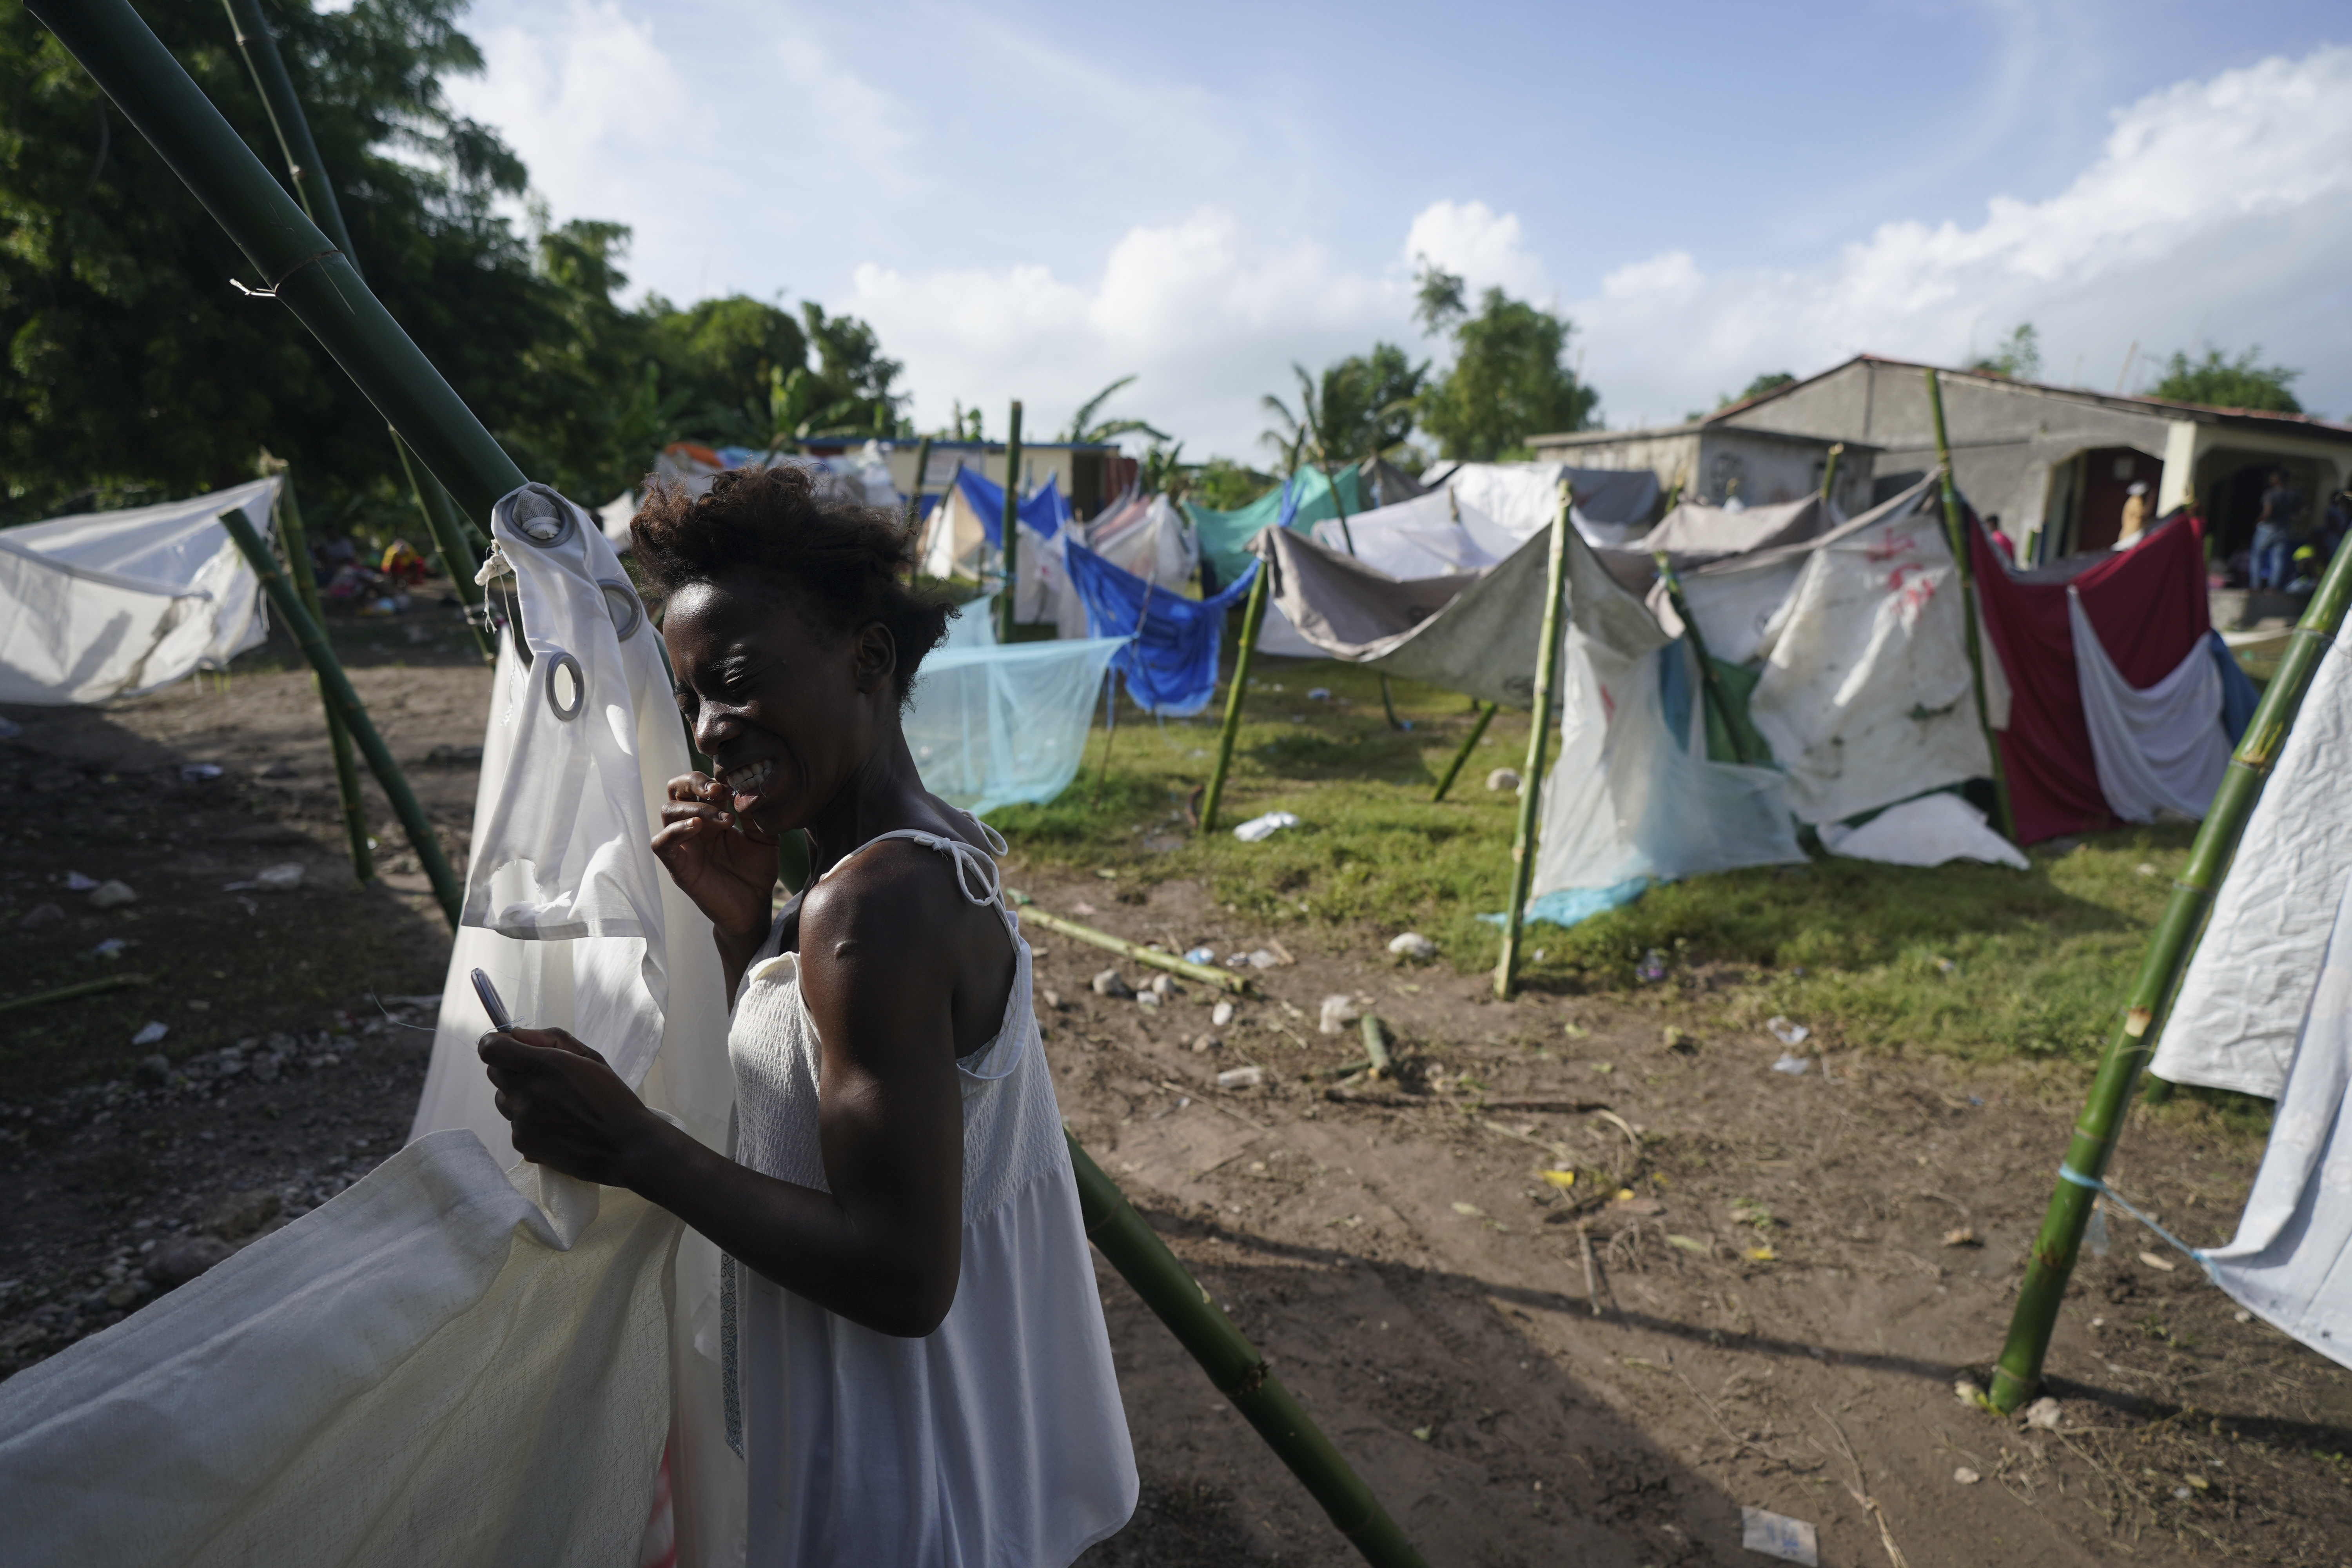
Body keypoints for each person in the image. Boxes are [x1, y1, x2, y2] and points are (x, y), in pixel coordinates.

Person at [474, 465, 1137, 1564]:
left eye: (735, 682)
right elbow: (836, 1109)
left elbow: (900, 1274)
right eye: (692, 698)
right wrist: (752, 937)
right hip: (950, 1444)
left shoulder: (870, 909)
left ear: (867, 660)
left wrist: (631, 1144)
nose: (710, 730)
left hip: (899, 1481)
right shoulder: (931, 851)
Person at [2250, 468, 2303, 590]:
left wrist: (2258, 521)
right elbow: (2299, 510)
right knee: (2278, 559)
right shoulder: (2293, 494)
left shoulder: (2271, 493)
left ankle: (2256, 585)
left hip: (2268, 527)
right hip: (2284, 528)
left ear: (2278, 479)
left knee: (2257, 556)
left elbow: (2268, 512)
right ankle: (2273, 587)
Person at [2115, 481, 2149, 548]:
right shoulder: (2137, 501)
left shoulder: (2131, 500)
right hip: (2132, 534)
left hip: (2127, 533)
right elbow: (2142, 515)